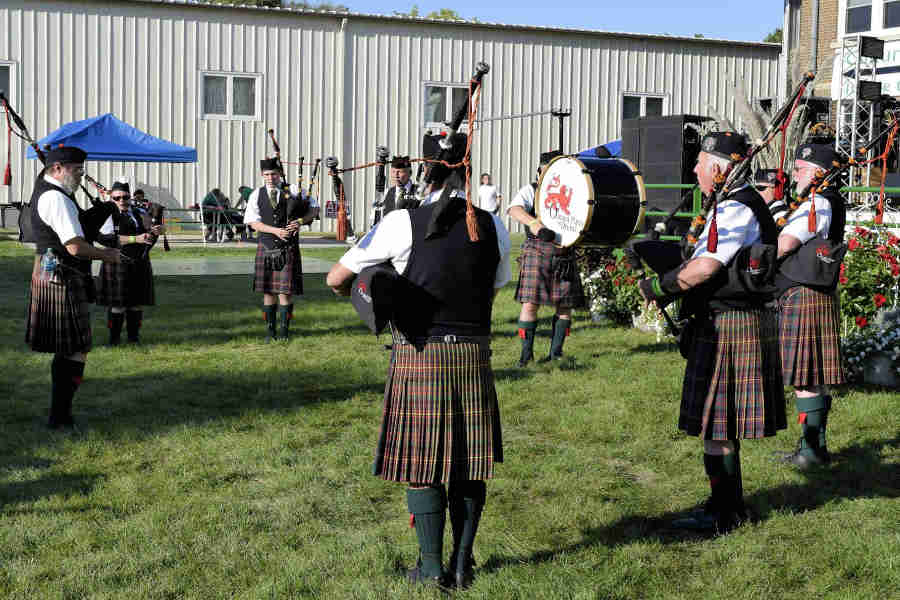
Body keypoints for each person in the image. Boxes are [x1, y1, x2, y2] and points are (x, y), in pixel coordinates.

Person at [326, 132, 511, 590]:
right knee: (469, 464)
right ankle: (464, 566)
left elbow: (336, 278)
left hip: (421, 353)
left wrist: (373, 289)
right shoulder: (495, 226)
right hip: (473, 353)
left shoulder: (401, 221)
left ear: (427, 171)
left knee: (422, 464)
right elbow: (495, 286)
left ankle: (431, 570)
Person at [637, 132, 786, 533]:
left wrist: (660, 287)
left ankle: (725, 513)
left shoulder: (736, 209)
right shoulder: (733, 203)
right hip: (727, 317)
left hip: (730, 322)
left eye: (700, 163)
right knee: (718, 422)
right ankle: (727, 503)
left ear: (719, 168)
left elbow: (706, 268)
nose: (695, 170)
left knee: (715, 423)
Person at [25, 145, 121, 429]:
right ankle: (60, 416)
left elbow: (78, 227)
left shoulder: (52, 190)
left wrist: (103, 208)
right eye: (76, 170)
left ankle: (60, 414)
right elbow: (75, 246)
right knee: (76, 348)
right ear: (56, 169)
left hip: (54, 271)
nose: (80, 175)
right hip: (62, 274)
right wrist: (108, 255)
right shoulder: (56, 199)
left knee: (68, 348)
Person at [773, 143, 847, 469]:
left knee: (805, 377)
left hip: (804, 294)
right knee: (811, 375)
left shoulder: (818, 202)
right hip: (811, 294)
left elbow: (786, 243)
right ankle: (813, 448)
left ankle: (810, 451)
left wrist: (754, 263)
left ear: (819, 172)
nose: (795, 174)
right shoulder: (819, 200)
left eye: (801, 168)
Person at [507, 151, 586, 366]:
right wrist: (535, 224)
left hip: (564, 252)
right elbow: (514, 209)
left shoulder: (576, 188)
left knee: (564, 306)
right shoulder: (531, 190)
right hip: (537, 250)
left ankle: (556, 353)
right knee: (530, 305)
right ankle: (526, 355)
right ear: (540, 171)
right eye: (547, 169)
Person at [243, 158, 317, 342]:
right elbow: (252, 222)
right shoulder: (256, 194)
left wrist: (300, 221)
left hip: (288, 247)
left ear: (280, 174)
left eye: (274, 174)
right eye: (267, 174)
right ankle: (270, 332)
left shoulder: (293, 190)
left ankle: (284, 332)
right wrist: (275, 230)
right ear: (262, 175)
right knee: (268, 291)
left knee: (285, 292)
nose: (270, 177)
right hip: (267, 246)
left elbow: (314, 209)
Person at [96, 180, 163, 345]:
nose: (121, 201)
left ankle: (134, 338)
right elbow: (105, 239)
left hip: (139, 262)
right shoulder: (107, 215)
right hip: (117, 261)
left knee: (136, 304)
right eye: (117, 198)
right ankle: (114, 340)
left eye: (125, 197)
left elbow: (147, 236)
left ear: (129, 197)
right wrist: (136, 238)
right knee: (118, 305)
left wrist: (155, 232)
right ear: (112, 198)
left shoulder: (138, 213)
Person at [374, 155, 417, 225]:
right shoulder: (387, 192)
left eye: (400, 172)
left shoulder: (418, 193)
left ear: (410, 173)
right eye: (393, 172)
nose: (396, 175)